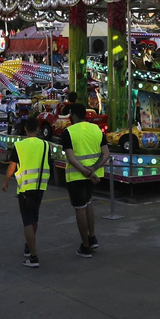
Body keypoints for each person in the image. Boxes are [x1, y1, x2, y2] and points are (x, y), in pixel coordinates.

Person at [58, 110, 107, 256]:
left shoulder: (69, 132)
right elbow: (106, 154)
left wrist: (85, 172)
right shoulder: (96, 129)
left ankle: (85, 247)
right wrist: (94, 170)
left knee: (80, 208)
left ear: (73, 116)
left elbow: (71, 158)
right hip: (94, 176)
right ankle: (92, 237)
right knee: (88, 203)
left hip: (76, 177)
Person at [2, 123, 51, 267]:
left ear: (25, 129)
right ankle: (29, 246)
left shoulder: (19, 145)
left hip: (25, 188)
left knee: (27, 221)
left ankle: (33, 256)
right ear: (38, 129)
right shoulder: (46, 145)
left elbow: (12, 166)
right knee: (34, 218)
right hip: (40, 186)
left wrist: (5, 181)